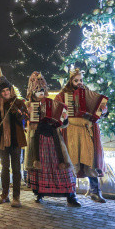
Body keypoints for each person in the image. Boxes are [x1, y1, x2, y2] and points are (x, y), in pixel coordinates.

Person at [24, 72, 80, 207]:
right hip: (38, 141)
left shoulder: (53, 103)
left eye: (42, 90)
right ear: (33, 92)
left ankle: (70, 196)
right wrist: (28, 115)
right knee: (40, 166)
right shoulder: (28, 105)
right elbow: (26, 124)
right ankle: (39, 193)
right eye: (38, 91)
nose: (41, 93)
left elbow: (63, 123)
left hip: (54, 140)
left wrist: (64, 118)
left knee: (61, 166)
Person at [55, 68, 108, 203]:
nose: (79, 82)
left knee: (90, 159)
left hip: (86, 130)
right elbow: (56, 110)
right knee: (72, 161)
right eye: (76, 80)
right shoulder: (63, 95)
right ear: (70, 81)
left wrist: (103, 110)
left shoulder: (88, 93)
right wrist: (63, 113)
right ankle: (71, 194)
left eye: (81, 80)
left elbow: (98, 112)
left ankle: (95, 191)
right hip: (71, 131)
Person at [0, 69, 27, 208]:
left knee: (16, 169)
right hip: (2, 142)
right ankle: (4, 195)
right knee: (4, 169)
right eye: (2, 91)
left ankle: (16, 197)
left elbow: (24, 119)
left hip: (15, 141)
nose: (6, 93)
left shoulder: (19, 102)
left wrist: (19, 113)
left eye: (7, 90)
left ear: (10, 89)